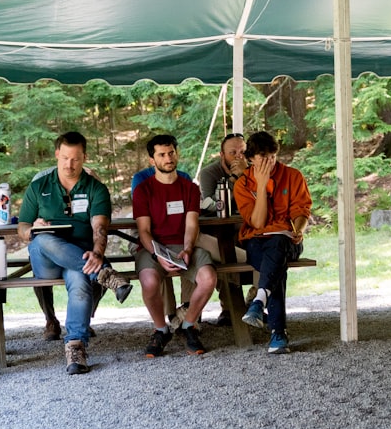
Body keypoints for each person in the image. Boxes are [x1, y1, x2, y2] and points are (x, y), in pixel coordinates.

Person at [17, 131, 130, 375]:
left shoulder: (95, 188)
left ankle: (76, 347)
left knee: (80, 279)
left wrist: (98, 252)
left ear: (84, 157)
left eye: (76, 159)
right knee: (43, 239)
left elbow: (99, 227)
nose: (70, 164)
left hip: (81, 257)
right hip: (45, 258)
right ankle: (106, 275)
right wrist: (32, 229)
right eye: (65, 158)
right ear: (57, 155)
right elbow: (22, 228)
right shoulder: (39, 186)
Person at [133, 135, 217, 357]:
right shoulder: (143, 190)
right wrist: (158, 255)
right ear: (152, 160)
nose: (168, 158)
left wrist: (188, 249)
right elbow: (144, 231)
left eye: (171, 153)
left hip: (184, 247)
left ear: (176, 153)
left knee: (209, 278)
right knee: (150, 282)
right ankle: (161, 329)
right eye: (161, 155)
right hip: (153, 248)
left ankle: (189, 325)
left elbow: (192, 224)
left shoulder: (190, 188)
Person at [233, 131, 312, 354]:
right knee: (275, 265)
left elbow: (302, 210)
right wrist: (261, 185)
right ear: (251, 159)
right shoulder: (243, 184)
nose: (269, 162)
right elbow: (257, 222)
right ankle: (276, 331)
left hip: (288, 240)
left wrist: (298, 229)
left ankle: (261, 303)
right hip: (257, 240)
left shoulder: (293, 176)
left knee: (278, 247)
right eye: (262, 157)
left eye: (272, 156)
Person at [197, 132, 249, 326]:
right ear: (222, 155)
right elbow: (211, 205)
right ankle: (229, 308)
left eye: (243, 151)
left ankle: (255, 302)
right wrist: (235, 178)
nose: (238, 156)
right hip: (220, 230)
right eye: (233, 152)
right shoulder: (210, 173)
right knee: (223, 248)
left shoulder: (255, 170)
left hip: (249, 228)